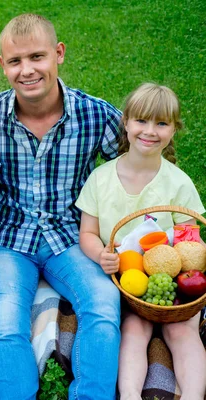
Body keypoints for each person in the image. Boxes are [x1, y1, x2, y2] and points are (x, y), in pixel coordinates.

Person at [0, 13, 123, 400]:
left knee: (103, 304)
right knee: (5, 322)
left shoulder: (95, 114)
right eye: (15, 61)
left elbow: (141, 168)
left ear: (59, 54)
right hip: (6, 238)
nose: (27, 70)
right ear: (2, 65)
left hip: (71, 236)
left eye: (37, 57)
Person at [77, 83, 206, 400]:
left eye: (162, 123)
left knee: (183, 330)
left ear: (174, 129)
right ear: (125, 121)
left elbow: (190, 239)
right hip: (129, 279)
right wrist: (101, 255)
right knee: (133, 330)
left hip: (171, 278)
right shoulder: (101, 178)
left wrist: (185, 269)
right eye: (142, 121)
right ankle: (131, 395)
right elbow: (88, 233)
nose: (150, 131)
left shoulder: (177, 182)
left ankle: (193, 395)